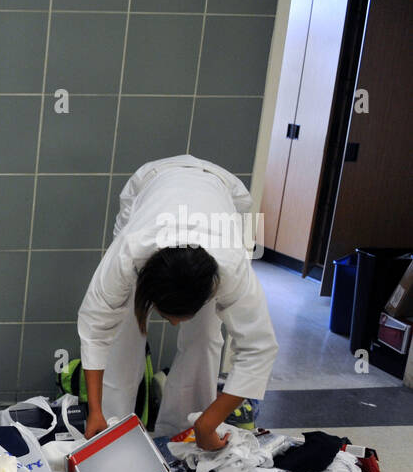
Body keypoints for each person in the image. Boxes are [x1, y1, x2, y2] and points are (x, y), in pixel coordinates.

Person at [77, 155, 278, 451]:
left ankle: (186, 431)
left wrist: (208, 423)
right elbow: (95, 329)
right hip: (150, 183)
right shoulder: (129, 253)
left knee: (206, 335)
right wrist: (95, 411)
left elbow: (259, 349)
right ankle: (112, 428)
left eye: (180, 315)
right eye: (167, 313)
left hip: (224, 192)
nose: (172, 324)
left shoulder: (231, 268)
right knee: (123, 331)